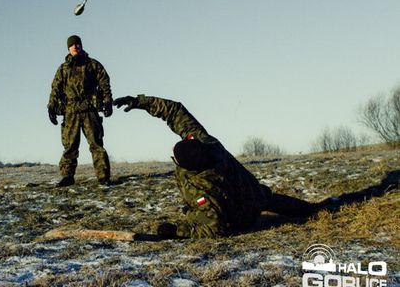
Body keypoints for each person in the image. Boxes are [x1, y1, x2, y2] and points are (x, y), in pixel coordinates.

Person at [113, 95, 319, 238]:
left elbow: (214, 230)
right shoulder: (205, 142)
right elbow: (175, 111)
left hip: (242, 214)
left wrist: (177, 230)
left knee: (239, 210)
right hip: (254, 191)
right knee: (269, 199)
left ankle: (314, 211)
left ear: (187, 168)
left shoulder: (202, 188)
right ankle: (314, 209)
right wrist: (140, 102)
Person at [47, 35, 113, 187]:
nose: (75, 47)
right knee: (70, 146)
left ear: (81, 46)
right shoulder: (63, 69)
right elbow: (55, 89)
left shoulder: (92, 65)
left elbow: (104, 83)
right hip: (70, 112)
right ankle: (67, 177)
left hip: (90, 109)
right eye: (72, 45)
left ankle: (103, 177)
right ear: (68, 48)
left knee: (96, 144)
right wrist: (51, 106)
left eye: (77, 44)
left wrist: (108, 102)